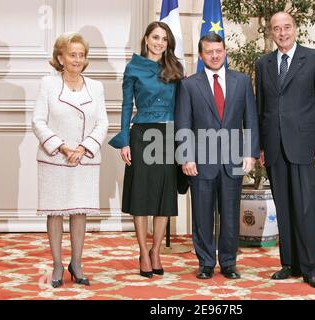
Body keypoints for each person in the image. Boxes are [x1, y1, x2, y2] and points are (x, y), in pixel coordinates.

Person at [255, 12, 315, 288]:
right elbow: (261, 109)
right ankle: (290, 264)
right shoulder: (262, 64)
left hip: (305, 147)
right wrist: (261, 147)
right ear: (272, 32)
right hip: (275, 149)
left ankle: (311, 268)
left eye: (287, 27)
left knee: (306, 208)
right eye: (277, 28)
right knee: (285, 210)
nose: (282, 33)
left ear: (295, 29)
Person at [175, 33, 259, 280]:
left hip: (233, 160)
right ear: (201, 55)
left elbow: (251, 119)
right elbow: (183, 124)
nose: (214, 55)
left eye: (218, 51)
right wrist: (186, 157)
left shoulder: (241, 81)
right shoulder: (189, 85)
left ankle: (229, 263)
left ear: (225, 52)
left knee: (231, 214)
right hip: (200, 162)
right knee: (202, 215)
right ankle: (206, 263)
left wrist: (251, 153)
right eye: (209, 52)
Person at [32, 32, 109, 288]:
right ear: (60, 58)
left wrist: (84, 147)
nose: (77, 60)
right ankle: (57, 265)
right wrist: (62, 147)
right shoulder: (48, 84)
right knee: (55, 213)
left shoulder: (95, 87)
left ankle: (77, 264)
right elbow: (38, 121)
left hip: (84, 159)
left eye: (81, 55)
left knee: (79, 211)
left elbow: (102, 122)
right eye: (72, 55)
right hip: (55, 158)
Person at [108, 21, 183, 278]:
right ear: (146, 39)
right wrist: (125, 141)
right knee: (140, 197)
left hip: (168, 137)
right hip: (142, 135)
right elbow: (127, 107)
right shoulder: (134, 68)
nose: (159, 42)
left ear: (168, 43)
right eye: (155, 37)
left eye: (164, 38)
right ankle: (142, 251)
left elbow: (182, 107)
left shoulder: (175, 68)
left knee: (164, 197)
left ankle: (156, 251)